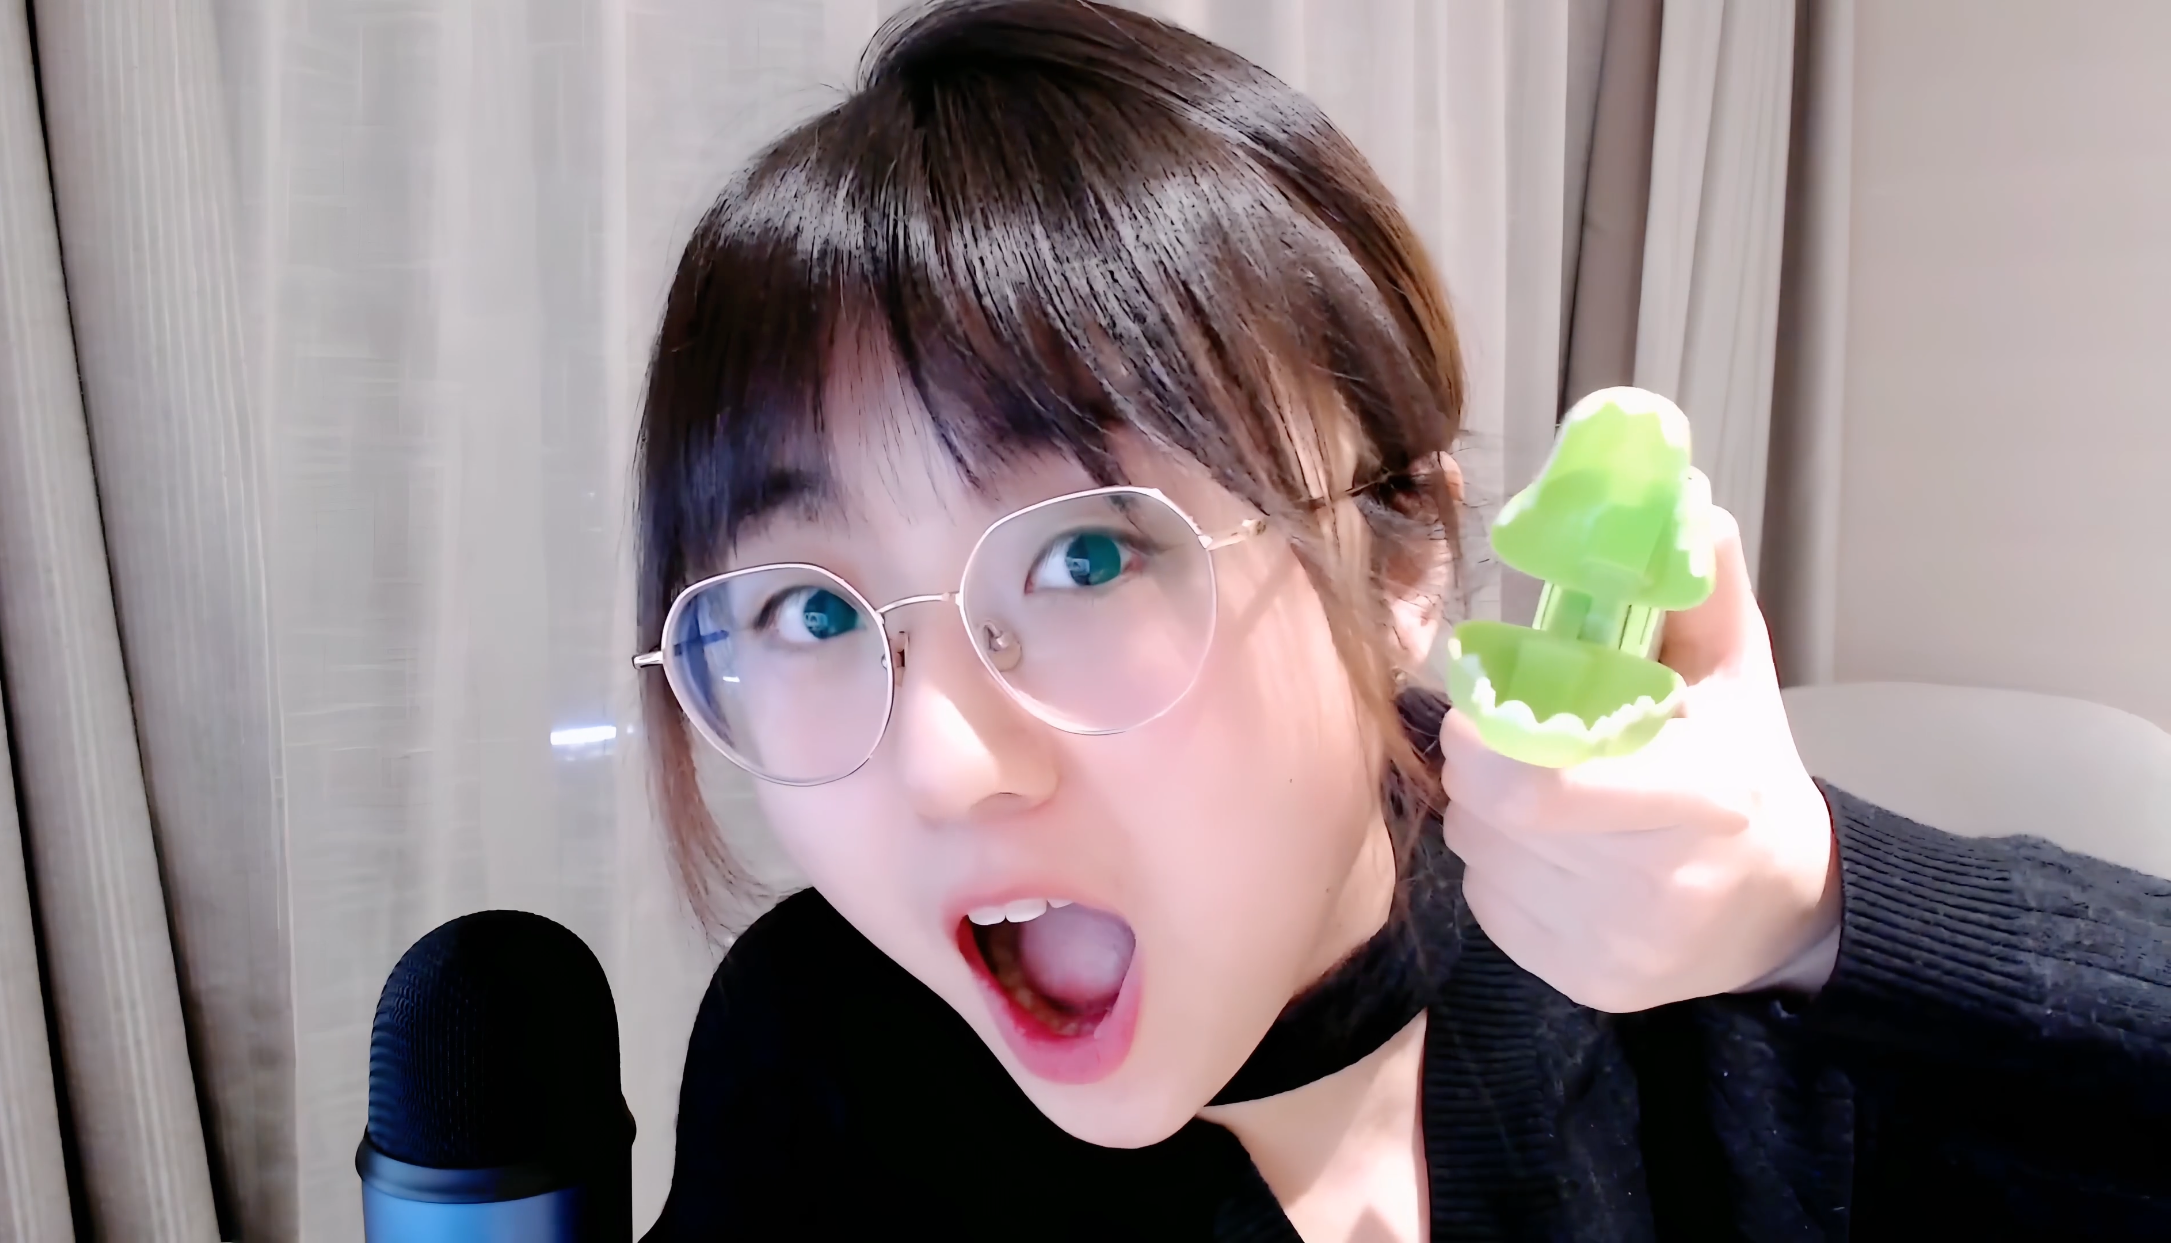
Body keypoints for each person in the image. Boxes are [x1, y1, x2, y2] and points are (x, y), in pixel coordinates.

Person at [628, 2, 2171, 1238]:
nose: (941, 766)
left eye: (1088, 556)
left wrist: (1822, 911)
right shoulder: (823, 1049)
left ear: (1403, 556)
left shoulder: (1707, 1014)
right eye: (808, 607)